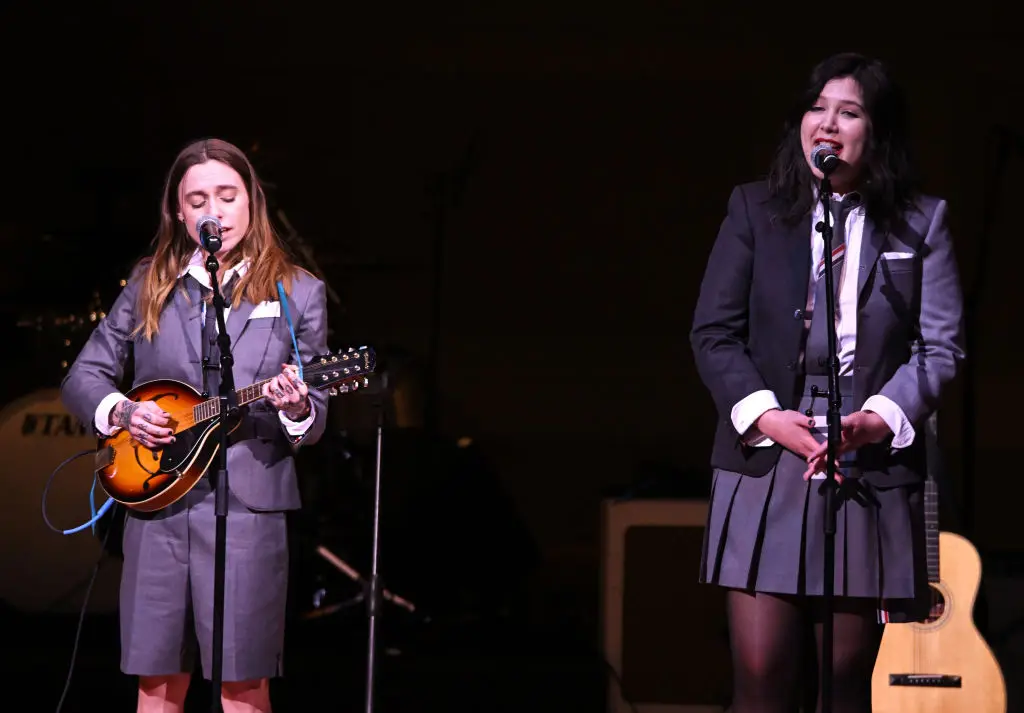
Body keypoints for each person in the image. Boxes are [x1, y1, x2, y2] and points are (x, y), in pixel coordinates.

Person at [690, 53, 965, 713]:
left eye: (850, 111)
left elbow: (939, 345)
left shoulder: (920, 220)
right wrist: (766, 417)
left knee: (843, 678)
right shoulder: (756, 209)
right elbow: (713, 332)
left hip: (865, 453)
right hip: (769, 451)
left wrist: (872, 420)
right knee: (761, 668)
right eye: (818, 108)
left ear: (879, 130)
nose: (830, 124)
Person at [61, 137, 331, 712]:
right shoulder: (150, 283)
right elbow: (85, 375)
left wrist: (295, 406)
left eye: (227, 196)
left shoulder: (298, 292)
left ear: (251, 202)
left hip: (250, 513)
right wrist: (126, 412)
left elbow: (315, 415)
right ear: (179, 213)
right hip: (160, 505)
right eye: (198, 199)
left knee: (242, 683)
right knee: (157, 680)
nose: (214, 211)